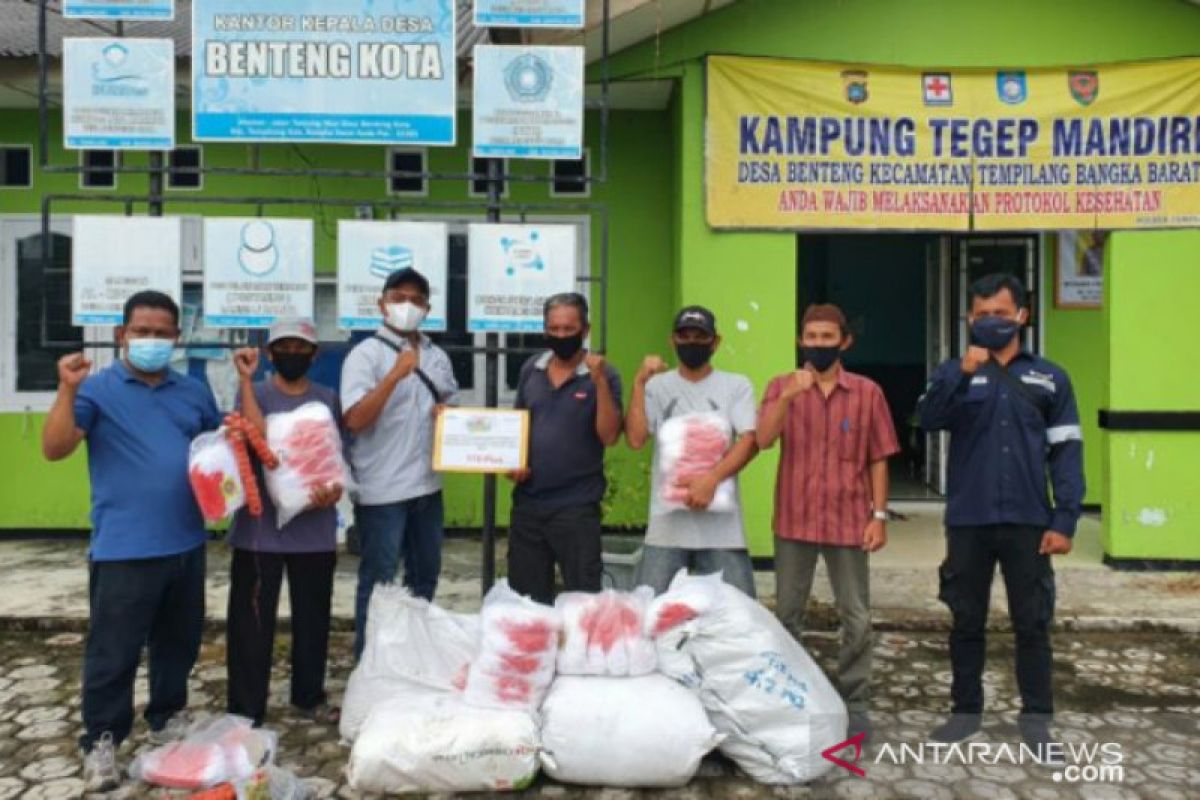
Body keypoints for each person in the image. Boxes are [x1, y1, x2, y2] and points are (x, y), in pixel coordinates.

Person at [42, 291, 221, 792]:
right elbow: (54, 448)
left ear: (176, 338)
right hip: (124, 548)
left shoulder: (192, 392)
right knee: (113, 652)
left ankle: (167, 717)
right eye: (142, 331)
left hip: (185, 543)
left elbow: (216, 450)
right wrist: (65, 389)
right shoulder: (96, 389)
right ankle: (101, 739)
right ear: (122, 335)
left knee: (177, 645)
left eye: (163, 333)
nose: (152, 340)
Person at [918, 273, 1083, 758]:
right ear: (970, 317)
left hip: (1030, 520)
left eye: (1000, 313)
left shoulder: (1051, 377)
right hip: (968, 519)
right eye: (982, 314)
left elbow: (1067, 452)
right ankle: (964, 714)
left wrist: (1065, 520)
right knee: (965, 621)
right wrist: (964, 373)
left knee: (1032, 624)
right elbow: (927, 421)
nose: (991, 321)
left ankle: (1036, 725)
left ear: (1022, 317)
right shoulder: (954, 371)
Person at [756, 303, 899, 743]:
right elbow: (762, 440)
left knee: (855, 615)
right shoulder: (781, 387)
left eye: (827, 337)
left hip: (848, 520)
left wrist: (879, 515)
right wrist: (786, 399)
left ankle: (855, 701)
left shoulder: (867, 393)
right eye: (811, 337)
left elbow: (878, 457)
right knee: (788, 615)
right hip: (795, 519)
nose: (819, 345)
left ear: (844, 341)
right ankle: (793, 697)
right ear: (801, 340)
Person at [226, 318, 342, 726]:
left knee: (313, 621)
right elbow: (256, 440)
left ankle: (308, 696)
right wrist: (245, 378)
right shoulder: (254, 394)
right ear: (270, 353)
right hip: (260, 533)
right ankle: (246, 709)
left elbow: (333, 455)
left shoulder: (327, 398)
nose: (293, 354)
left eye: (301, 347)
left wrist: (336, 488)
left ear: (315, 354)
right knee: (250, 625)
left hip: (315, 531)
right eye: (284, 347)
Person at [342, 267, 458, 659]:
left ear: (427, 307)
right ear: (382, 303)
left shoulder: (437, 355)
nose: (406, 306)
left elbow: (451, 408)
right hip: (383, 492)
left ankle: (412, 659)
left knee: (424, 579)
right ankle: (369, 667)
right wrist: (393, 377)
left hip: (428, 488)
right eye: (398, 297)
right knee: (379, 584)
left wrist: (448, 416)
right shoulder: (365, 355)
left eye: (416, 300)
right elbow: (355, 419)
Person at [625, 305, 759, 596]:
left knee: (739, 616)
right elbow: (635, 439)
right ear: (673, 340)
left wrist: (710, 480)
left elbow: (750, 441)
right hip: (666, 529)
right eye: (684, 336)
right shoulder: (657, 386)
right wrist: (638, 383)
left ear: (716, 342)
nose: (692, 343)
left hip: (723, 532)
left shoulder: (736, 386)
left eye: (700, 336)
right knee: (652, 616)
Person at [507, 292, 623, 605]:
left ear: (585, 330)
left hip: (576, 508)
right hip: (528, 505)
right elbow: (518, 426)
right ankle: (540, 655)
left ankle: (577, 656)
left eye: (568, 329)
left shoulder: (605, 374)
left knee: (583, 602)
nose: (560, 336)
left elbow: (610, 435)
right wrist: (513, 462)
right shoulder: (531, 369)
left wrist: (598, 381)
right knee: (527, 603)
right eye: (553, 329)